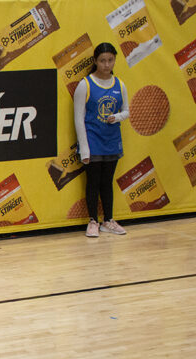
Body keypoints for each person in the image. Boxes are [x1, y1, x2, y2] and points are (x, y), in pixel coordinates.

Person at [74, 42, 129, 238]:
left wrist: (118, 117)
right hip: (92, 141)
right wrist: (84, 148)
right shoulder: (85, 84)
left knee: (107, 182)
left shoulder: (120, 84)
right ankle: (92, 221)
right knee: (93, 182)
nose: (107, 64)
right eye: (102, 61)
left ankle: (108, 220)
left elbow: (126, 111)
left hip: (112, 141)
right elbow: (78, 118)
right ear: (96, 61)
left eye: (110, 60)